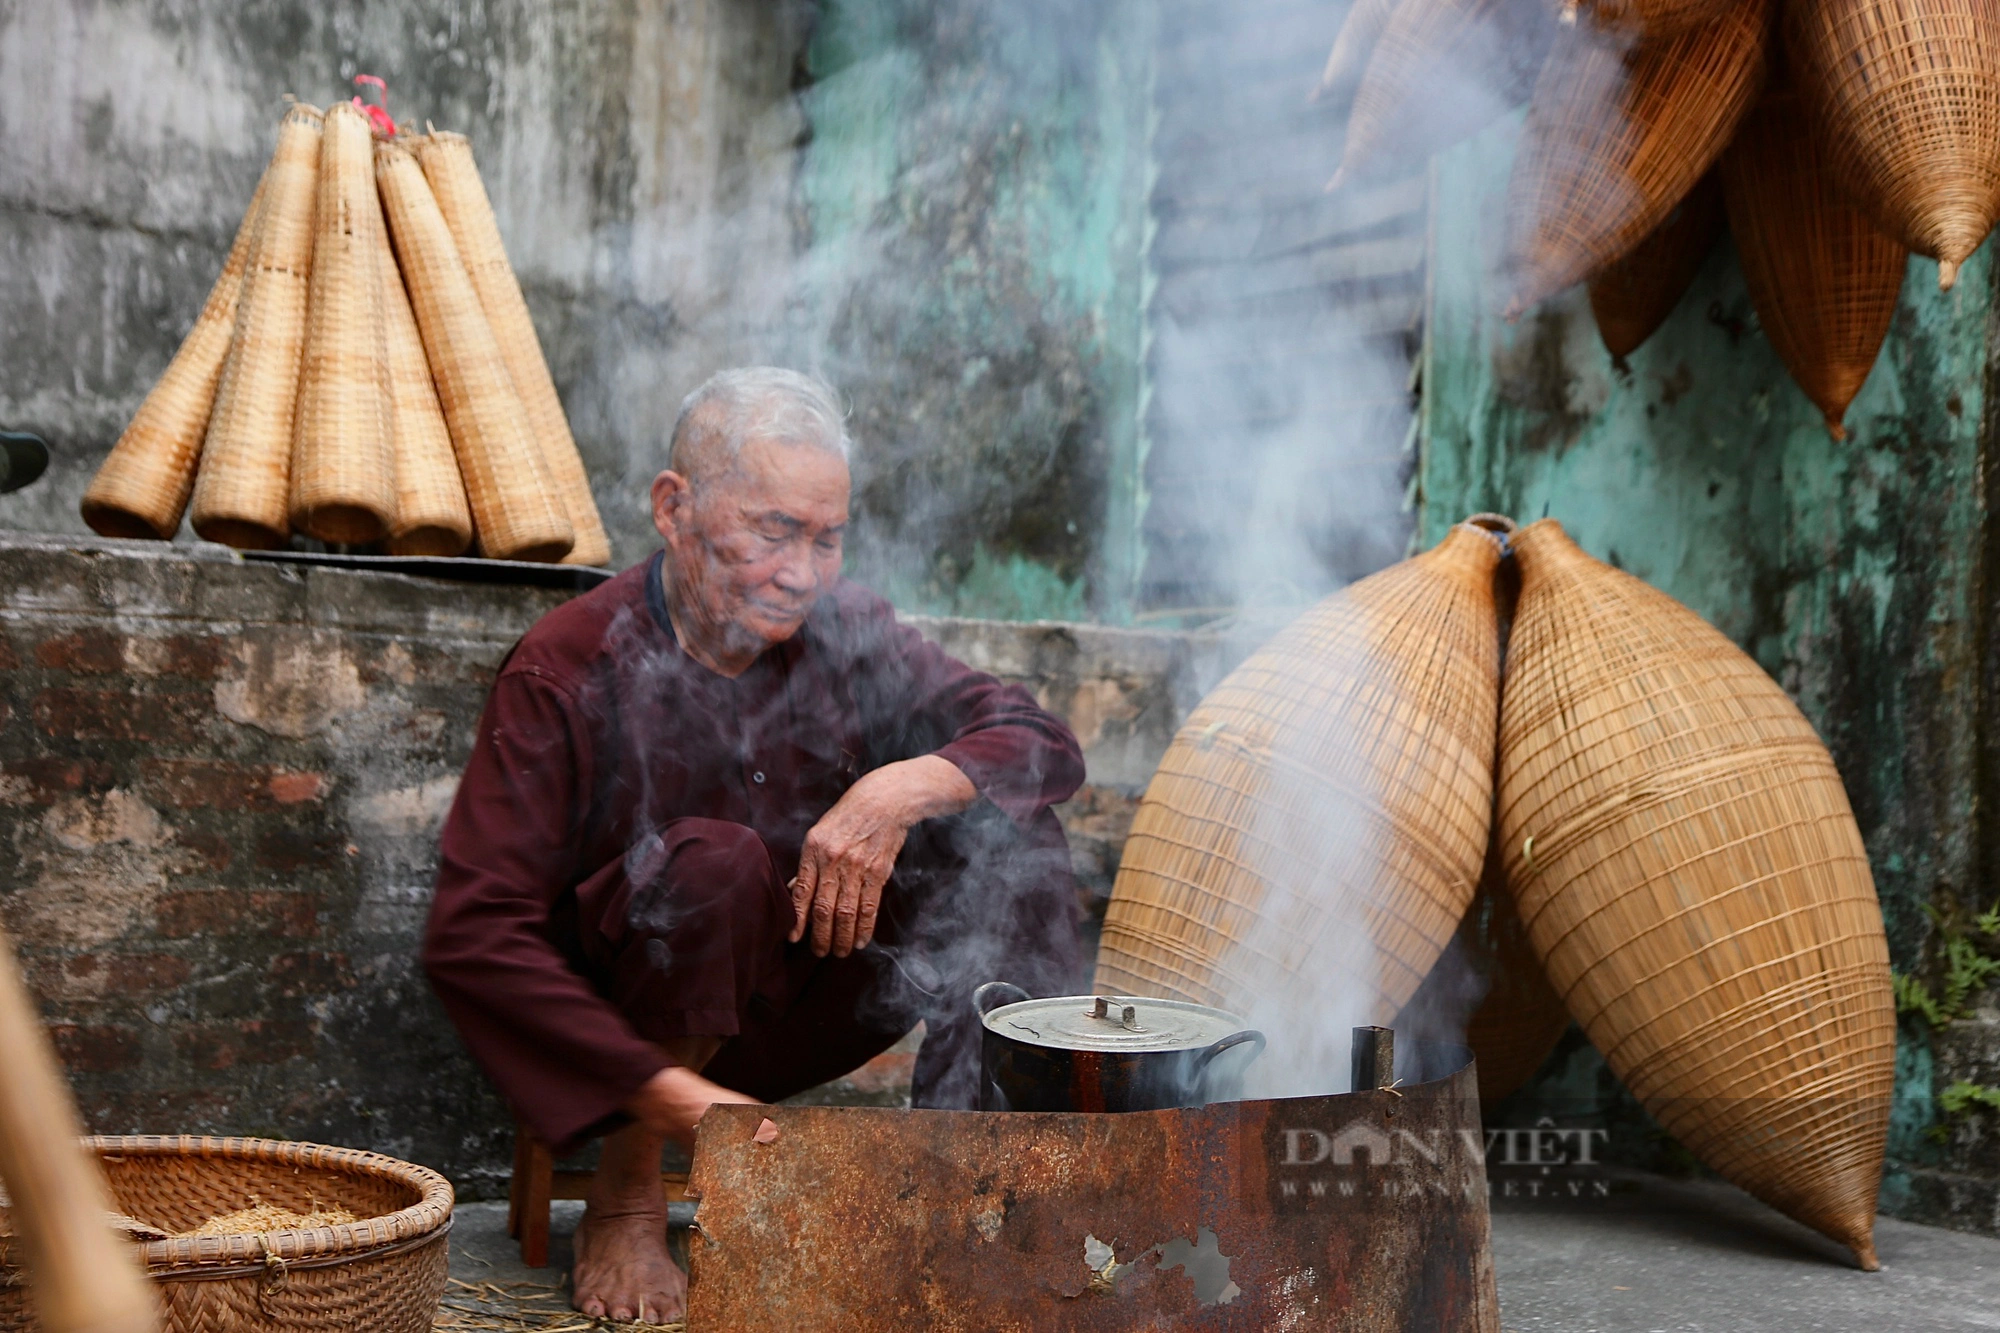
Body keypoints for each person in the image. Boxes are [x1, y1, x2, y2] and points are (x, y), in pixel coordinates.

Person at [424, 367, 1087, 1322]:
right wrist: (658, 1094)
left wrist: (900, 785)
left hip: (797, 1006)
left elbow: (1038, 738)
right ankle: (626, 1195)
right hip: (629, 1046)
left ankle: (969, 1187)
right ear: (674, 508)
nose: (803, 571)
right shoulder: (569, 667)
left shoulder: (847, 631)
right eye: (772, 530)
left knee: (1006, 826)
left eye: (828, 538)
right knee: (717, 863)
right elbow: (473, 934)